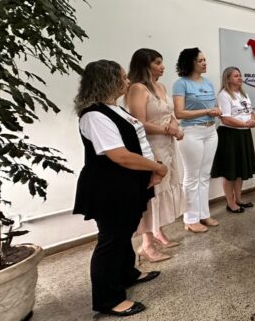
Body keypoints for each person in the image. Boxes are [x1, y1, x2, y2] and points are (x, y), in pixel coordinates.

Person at [73, 60, 167, 317]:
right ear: (107, 81)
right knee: (111, 240)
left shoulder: (113, 109)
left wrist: (151, 167)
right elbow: (119, 155)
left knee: (124, 232)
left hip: (126, 184)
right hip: (108, 188)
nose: (128, 82)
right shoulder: (94, 115)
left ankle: (127, 273)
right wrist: (156, 168)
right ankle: (108, 299)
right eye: (123, 78)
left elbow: (137, 142)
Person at [126, 49, 186, 264]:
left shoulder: (160, 86)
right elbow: (138, 123)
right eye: (158, 63)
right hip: (151, 148)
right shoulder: (137, 88)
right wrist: (167, 131)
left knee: (165, 189)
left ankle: (158, 232)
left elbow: (171, 114)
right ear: (145, 65)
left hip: (168, 146)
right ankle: (147, 244)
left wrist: (175, 126)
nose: (162, 67)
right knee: (152, 194)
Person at [173, 48, 221, 233]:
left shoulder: (208, 83)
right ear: (190, 62)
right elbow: (179, 112)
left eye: (205, 59)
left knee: (205, 174)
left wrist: (214, 111)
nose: (204, 63)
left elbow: (212, 106)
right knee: (192, 176)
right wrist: (207, 111)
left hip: (210, 130)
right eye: (200, 60)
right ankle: (191, 218)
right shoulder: (181, 84)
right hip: (191, 132)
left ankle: (203, 214)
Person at [211, 67, 255, 214]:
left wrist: (253, 120)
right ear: (228, 78)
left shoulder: (243, 94)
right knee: (230, 171)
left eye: (240, 75)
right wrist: (245, 124)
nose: (240, 78)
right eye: (236, 76)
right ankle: (230, 202)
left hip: (244, 134)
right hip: (230, 135)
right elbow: (225, 118)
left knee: (240, 170)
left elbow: (251, 111)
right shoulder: (224, 95)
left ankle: (238, 198)